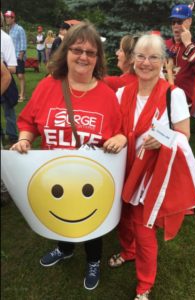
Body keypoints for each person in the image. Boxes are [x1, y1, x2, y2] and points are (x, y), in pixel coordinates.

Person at [10, 21, 127, 291]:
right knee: (60, 214)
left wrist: (120, 138)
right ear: (66, 52)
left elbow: (121, 132)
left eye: (90, 52)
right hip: (53, 175)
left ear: (97, 57)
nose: (83, 57)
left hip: (92, 180)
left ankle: (93, 260)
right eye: (77, 50)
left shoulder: (108, 96)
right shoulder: (48, 87)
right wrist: (25, 139)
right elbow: (28, 121)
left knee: (90, 221)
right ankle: (65, 249)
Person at [108, 34, 195, 300]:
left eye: (153, 57)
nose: (146, 62)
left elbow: (184, 135)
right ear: (132, 59)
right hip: (123, 168)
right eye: (140, 56)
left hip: (151, 175)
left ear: (163, 61)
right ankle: (128, 252)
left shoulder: (174, 95)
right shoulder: (121, 93)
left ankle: (144, 286)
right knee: (123, 219)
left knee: (144, 229)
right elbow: (115, 128)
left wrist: (161, 140)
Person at [165, 4, 195, 135]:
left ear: (189, 22)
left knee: (178, 139)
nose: (175, 26)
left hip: (182, 103)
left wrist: (188, 44)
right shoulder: (165, 43)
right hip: (162, 98)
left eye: (179, 22)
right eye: (173, 22)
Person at [1, 11, 18, 145]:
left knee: (8, 111)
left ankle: (12, 137)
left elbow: (13, 68)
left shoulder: (5, 39)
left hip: (4, 81)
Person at [4, 10, 27, 102]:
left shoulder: (19, 29)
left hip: (18, 56)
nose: (7, 19)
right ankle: (12, 93)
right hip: (10, 56)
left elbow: (23, 42)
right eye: (6, 17)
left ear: (13, 18)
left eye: (9, 17)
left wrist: (21, 56)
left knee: (20, 75)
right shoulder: (8, 29)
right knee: (8, 75)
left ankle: (22, 94)